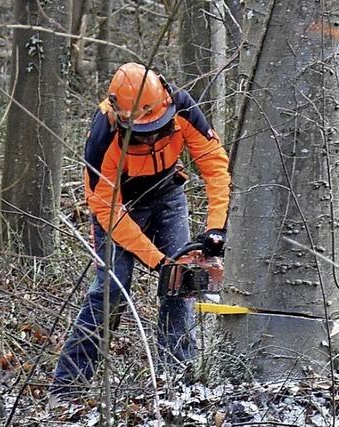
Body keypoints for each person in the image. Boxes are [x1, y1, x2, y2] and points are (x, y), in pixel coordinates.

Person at [50, 63, 230, 398]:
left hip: (166, 193)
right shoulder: (103, 135)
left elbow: (214, 164)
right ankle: (67, 388)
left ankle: (176, 380)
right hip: (120, 206)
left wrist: (216, 228)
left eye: (155, 127)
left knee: (181, 284)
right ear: (120, 117)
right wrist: (158, 260)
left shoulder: (182, 107)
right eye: (141, 130)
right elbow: (105, 206)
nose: (149, 134)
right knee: (111, 288)